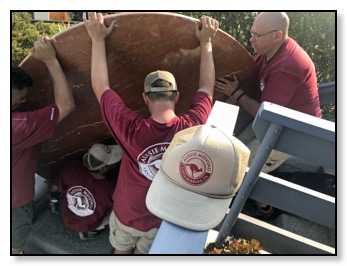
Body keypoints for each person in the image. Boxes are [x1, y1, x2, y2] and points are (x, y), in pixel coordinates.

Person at [83, 12, 219, 254]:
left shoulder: (130, 128)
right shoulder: (191, 126)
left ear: (145, 98)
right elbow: (207, 88)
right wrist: (206, 42)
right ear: (177, 96)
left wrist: (97, 39)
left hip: (127, 215)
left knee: (120, 252)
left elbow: (100, 87)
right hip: (161, 217)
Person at [215, 12, 322, 216]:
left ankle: (264, 207)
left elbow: (267, 114)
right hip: (272, 120)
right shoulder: (268, 50)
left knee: (242, 166)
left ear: (277, 35)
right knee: (233, 151)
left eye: (257, 35)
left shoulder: (287, 67)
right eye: (251, 32)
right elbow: (253, 81)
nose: (251, 39)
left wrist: (236, 94)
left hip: (292, 133)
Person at [12, 37, 75, 254]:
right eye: (20, 98)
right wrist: (50, 60)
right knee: (14, 245)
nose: (23, 102)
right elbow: (66, 105)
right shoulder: (18, 125)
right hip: (13, 202)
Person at [50, 143, 122, 240]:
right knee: (116, 214)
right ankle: (91, 231)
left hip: (65, 216)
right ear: (103, 169)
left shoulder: (72, 167)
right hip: (88, 225)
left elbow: (54, 188)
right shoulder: (112, 188)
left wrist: (54, 201)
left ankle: (55, 207)